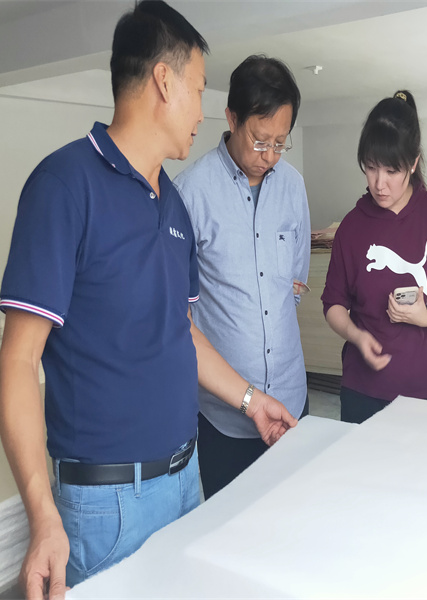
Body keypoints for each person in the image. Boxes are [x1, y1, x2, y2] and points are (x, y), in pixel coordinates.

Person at [0, 3, 297, 597]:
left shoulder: (173, 203)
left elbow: (182, 332)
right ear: (164, 80)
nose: (203, 111)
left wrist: (250, 400)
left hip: (186, 479)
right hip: (108, 504)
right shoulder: (64, 186)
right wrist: (43, 514)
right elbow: (18, 360)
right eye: (199, 89)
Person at [173, 55, 309, 499]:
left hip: (291, 402)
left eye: (280, 144)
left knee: (297, 518)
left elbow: (293, 286)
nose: (269, 156)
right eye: (259, 141)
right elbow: (180, 315)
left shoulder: (292, 187)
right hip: (224, 420)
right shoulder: (189, 194)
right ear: (232, 119)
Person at [321, 90, 427, 423]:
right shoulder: (352, 227)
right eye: (371, 168)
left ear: (414, 163)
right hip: (363, 392)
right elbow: (333, 303)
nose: (380, 184)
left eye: (392, 171)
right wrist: (356, 336)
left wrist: (425, 318)